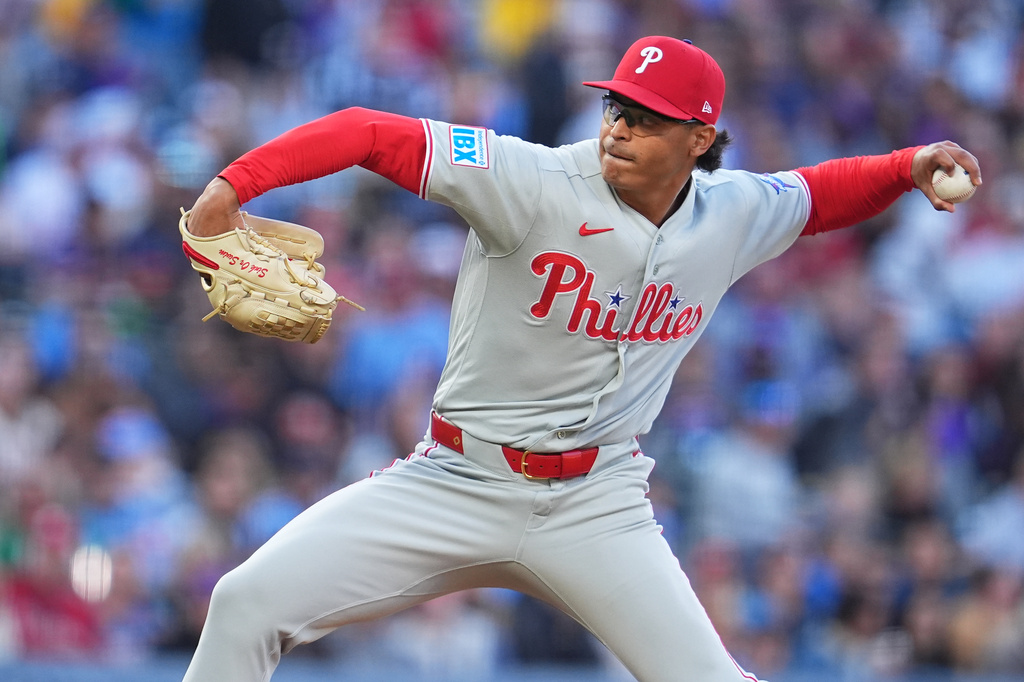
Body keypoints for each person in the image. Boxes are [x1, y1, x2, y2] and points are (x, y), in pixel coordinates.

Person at [180, 36, 981, 682]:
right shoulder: (530, 179)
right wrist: (233, 185)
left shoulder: (732, 211)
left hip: (597, 504)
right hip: (456, 479)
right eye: (616, 106)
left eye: (648, 117)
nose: (620, 127)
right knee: (245, 602)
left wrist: (909, 167)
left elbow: (821, 193)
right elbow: (365, 130)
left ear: (700, 138)